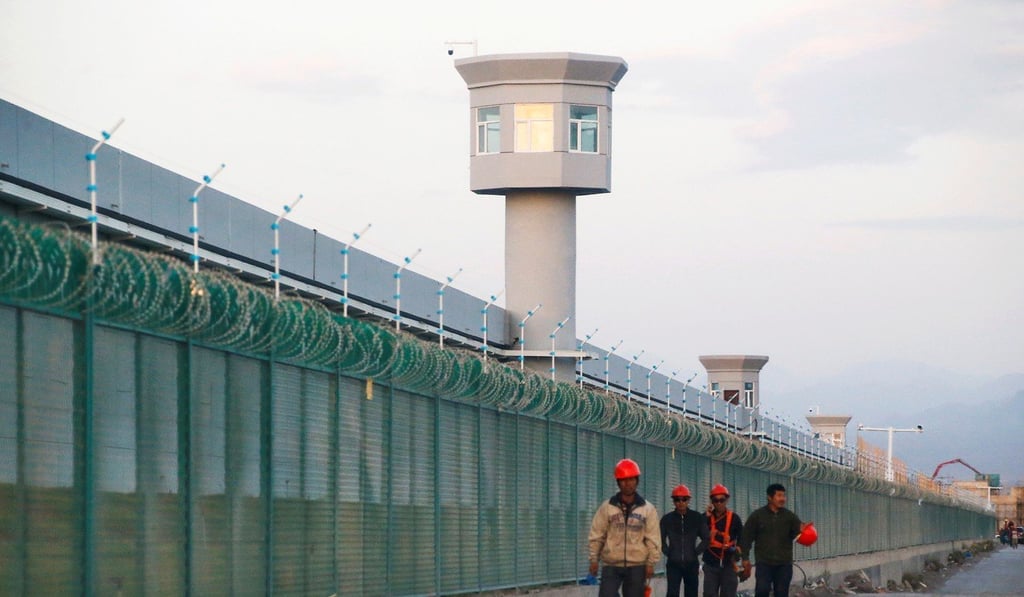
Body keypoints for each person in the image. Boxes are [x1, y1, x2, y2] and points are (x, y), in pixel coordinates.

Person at [588, 458, 661, 597]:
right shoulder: (607, 507)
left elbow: (653, 538)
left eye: (631, 479)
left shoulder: (647, 509)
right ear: (618, 482)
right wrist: (593, 559)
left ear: (637, 481)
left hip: (637, 565)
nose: (628, 484)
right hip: (611, 564)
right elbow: (597, 534)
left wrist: (651, 563)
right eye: (623, 480)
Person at [738, 483, 810, 597]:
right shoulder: (757, 516)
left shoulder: (789, 517)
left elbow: (799, 536)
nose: (783, 499)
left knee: (781, 593)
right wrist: (745, 558)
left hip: (784, 564)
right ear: (769, 497)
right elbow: (746, 538)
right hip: (764, 563)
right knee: (762, 590)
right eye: (779, 496)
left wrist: (804, 532)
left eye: (784, 496)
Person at [660, 484, 709, 597]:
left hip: (691, 563)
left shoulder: (696, 518)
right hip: (673, 564)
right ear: (673, 501)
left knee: (691, 593)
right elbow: (660, 539)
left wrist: (695, 552)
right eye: (677, 499)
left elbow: (706, 538)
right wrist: (668, 552)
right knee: (672, 593)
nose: (681, 502)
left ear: (688, 501)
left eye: (684, 499)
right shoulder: (667, 519)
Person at [702, 484, 744, 597]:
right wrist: (705, 517)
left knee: (729, 594)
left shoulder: (734, 518)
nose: (719, 503)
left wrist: (738, 552)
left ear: (726, 500)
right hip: (710, 563)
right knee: (709, 594)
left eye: (722, 500)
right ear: (712, 502)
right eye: (716, 500)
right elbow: (695, 532)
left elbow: (742, 538)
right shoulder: (706, 518)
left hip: (728, 563)